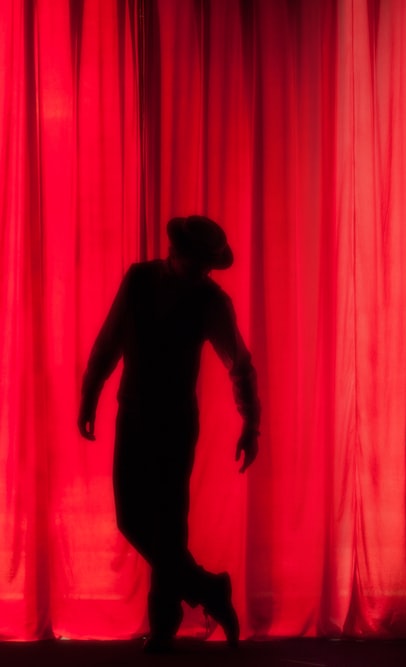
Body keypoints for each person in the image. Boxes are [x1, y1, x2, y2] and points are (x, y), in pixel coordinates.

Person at [78, 216, 260, 653]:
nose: (204, 272)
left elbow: (239, 364)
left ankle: (164, 625)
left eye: (207, 266)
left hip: (176, 420)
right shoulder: (139, 279)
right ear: (178, 253)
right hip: (135, 412)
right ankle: (209, 589)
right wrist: (90, 393)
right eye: (199, 263)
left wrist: (250, 423)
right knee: (133, 519)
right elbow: (110, 341)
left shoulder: (210, 300)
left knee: (168, 524)